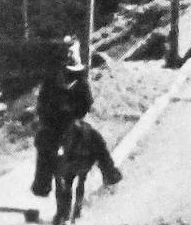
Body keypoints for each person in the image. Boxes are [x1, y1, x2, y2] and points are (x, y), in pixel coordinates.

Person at [31, 37, 122, 197]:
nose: (67, 75)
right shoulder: (50, 83)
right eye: (65, 70)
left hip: (73, 122)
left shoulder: (80, 83)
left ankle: (109, 172)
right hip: (54, 124)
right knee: (43, 142)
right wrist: (50, 116)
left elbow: (86, 103)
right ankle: (42, 183)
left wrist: (74, 112)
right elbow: (42, 105)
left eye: (71, 71)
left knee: (95, 138)